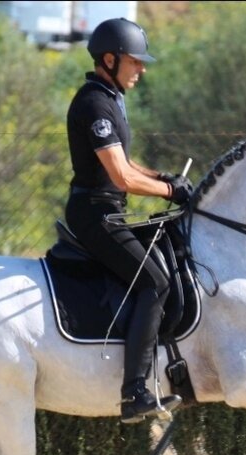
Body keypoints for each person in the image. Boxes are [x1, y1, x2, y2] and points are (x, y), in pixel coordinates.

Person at [65, 17, 194, 424]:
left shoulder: (110, 97)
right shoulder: (94, 104)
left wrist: (163, 178)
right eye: (135, 62)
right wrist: (171, 194)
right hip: (95, 214)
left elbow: (126, 163)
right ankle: (134, 392)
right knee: (155, 282)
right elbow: (120, 177)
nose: (141, 69)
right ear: (109, 59)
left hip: (108, 209)